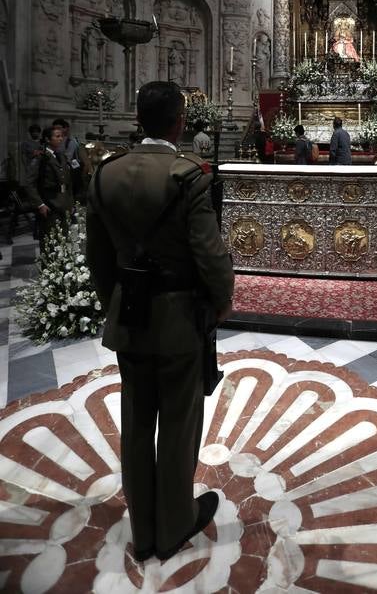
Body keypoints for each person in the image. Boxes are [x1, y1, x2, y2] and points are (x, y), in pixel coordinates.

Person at [86, 81, 234, 562]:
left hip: (129, 317)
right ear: (179, 122)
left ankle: (143, 528)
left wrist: (119, 300)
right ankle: (174, 525)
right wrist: (221, 300)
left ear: (137, 117)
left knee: (135, 420)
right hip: (177, 320)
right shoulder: (187, 175)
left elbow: (98, 258)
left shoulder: (105, 173)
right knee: (177, 422)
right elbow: (209, 254)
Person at [25, 125, 73, 254]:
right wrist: (40, 204)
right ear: (47, 139)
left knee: (63, 237)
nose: (61, 139)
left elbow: (67, 182)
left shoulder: (61, 156)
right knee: (50, 240)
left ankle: (62, 268)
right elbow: (29, 183)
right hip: (49, 204)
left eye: (61, 136)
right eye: (57, 136)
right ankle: (49, 269)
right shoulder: (41, 157)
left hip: (63, 203)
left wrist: (70, 202)